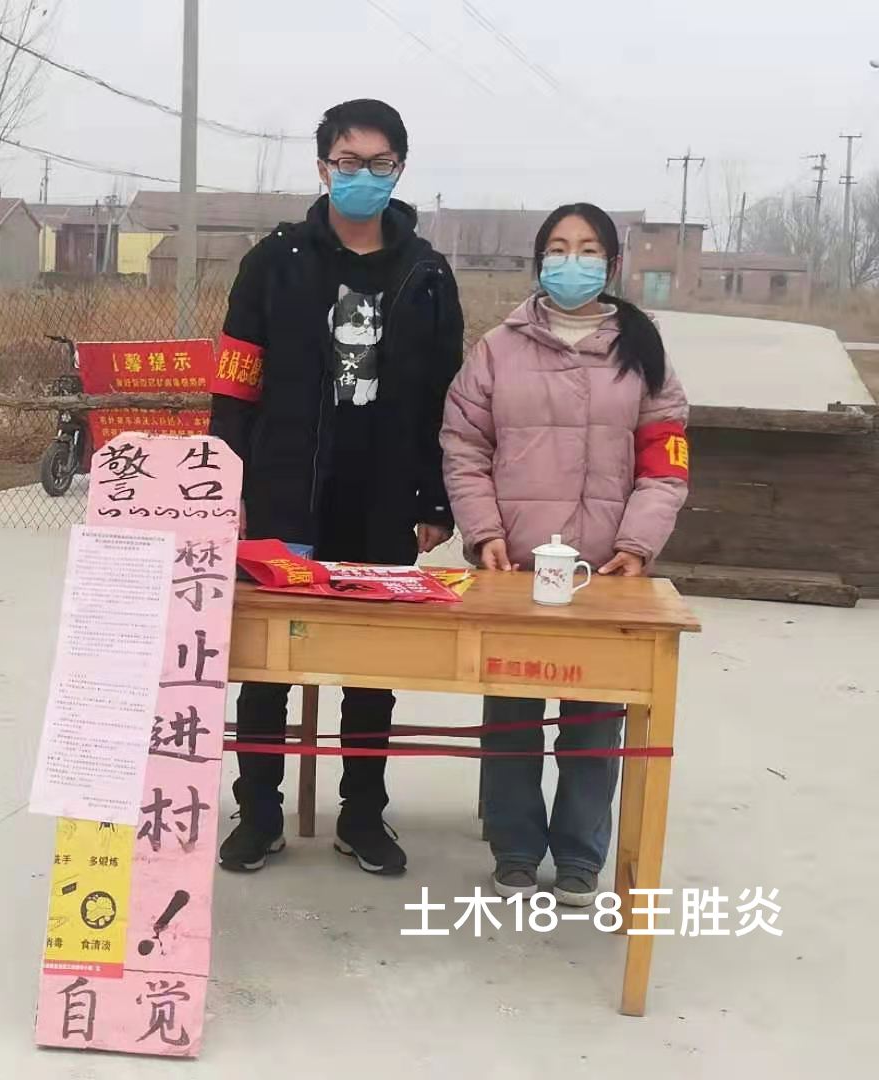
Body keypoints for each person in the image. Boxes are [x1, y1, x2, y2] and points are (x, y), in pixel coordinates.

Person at [209, 99, 464, 876]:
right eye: (348, 162)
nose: (362, 176)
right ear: (323, 168)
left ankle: (362, 814)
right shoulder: (276, 261)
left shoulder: (427, 275)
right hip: (286, 490)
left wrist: (436, 498)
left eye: (379, 164)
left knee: (371, 666)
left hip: (382, 497)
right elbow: (235, 382)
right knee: (267, 660)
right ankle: (258, 812)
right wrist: (225, 483)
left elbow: (445, 399)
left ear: (400, 170)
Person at [441, 202, 690, 905]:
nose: (570, 261)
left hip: (606, 572)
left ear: (611, 264)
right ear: (539, 260)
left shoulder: (644, 350)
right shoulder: (498, 349)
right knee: (513, 717)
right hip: (516, 567)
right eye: (557, 247)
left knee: (595, 721)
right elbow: (464, 444)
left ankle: (581, 855)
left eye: (586, 249)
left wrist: (637, 543)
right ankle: (516, 848)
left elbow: (665, 458)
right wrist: (484, 530)